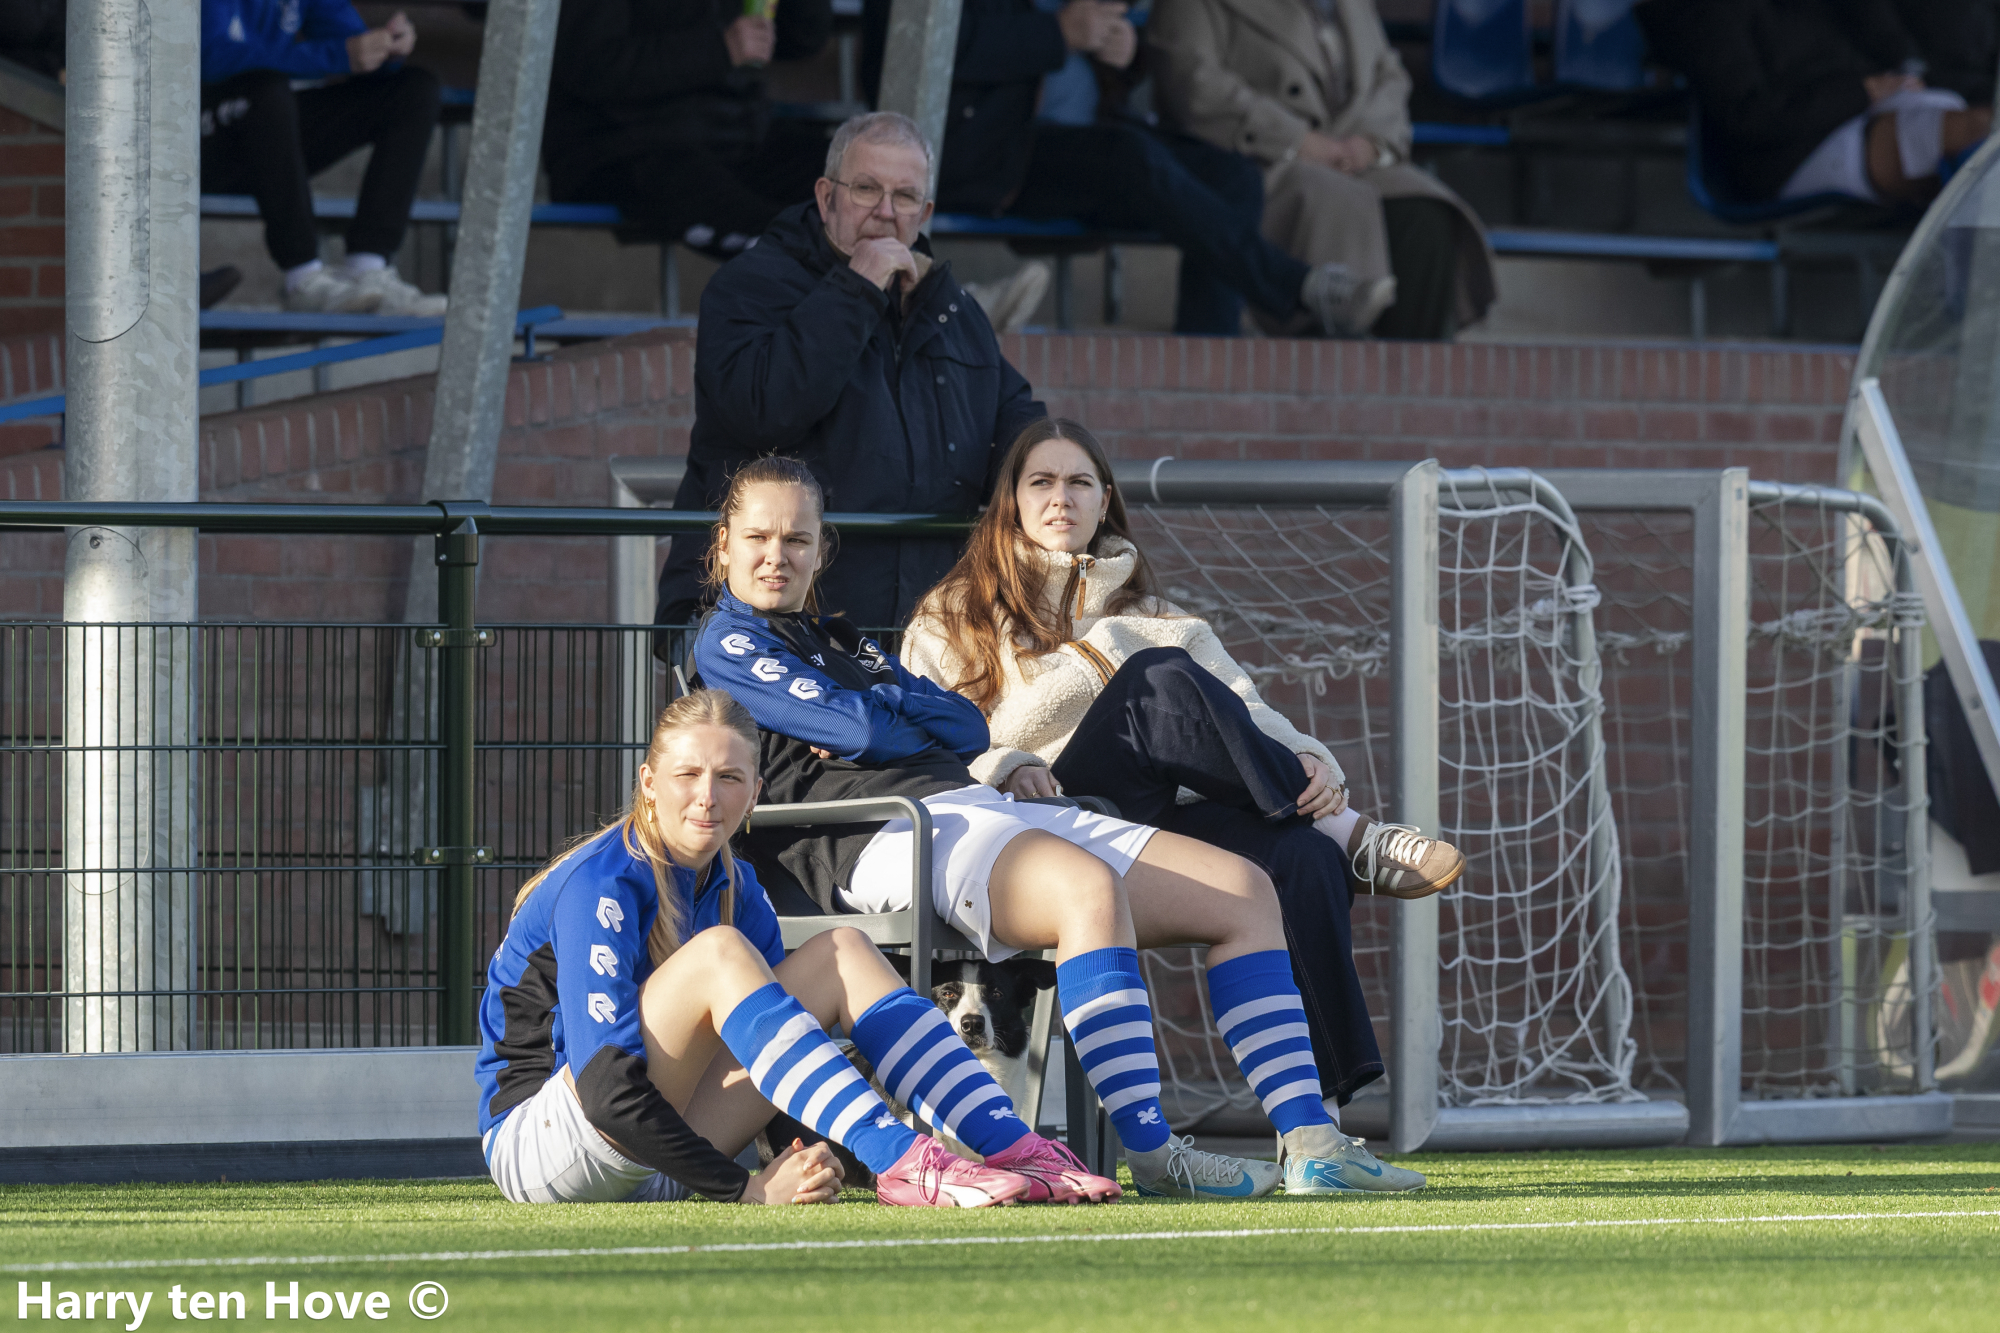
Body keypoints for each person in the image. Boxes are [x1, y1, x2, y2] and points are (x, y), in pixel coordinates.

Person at [690, 455, 1427, 1198]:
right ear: (724, 544)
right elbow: (858, 723)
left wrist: (886, 723)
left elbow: (963, 723)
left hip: (973, 806)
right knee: (1087, 889)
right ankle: (1154, 1151)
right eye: (758, 537)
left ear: (821, 548)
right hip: (879, 834)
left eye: (796, 539)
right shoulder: (729, 642)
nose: (776, 556)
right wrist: (884, 723)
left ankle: (1312, 1143)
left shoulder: (842, 641)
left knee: (1243, 889)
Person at [898, 418, 1463, 1115]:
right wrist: (1007, 761)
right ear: (1010, 500)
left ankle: (1317, 1123)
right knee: (1156, 677)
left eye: (1079, 482)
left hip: (1154, 814)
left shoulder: (1162, 614)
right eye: (1040, 482)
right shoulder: (953, 614)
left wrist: (1311, 760)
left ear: (1105, 501)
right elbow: (929, 743)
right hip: (1037, 829)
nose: (1060, 498)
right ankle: (1357, 837)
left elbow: (1248, 709)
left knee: (1302, 855)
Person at [477, 687, 1122, 1207]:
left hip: (660, 1156)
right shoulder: (603, 880)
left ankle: (1013, 1146)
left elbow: (770, 1047)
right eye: (687, 774)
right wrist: (747, 1190)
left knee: (842, 949)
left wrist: (808, 1159)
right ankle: (903, 1160)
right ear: (648, 782)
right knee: (722, 954)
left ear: (755, 793)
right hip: (550, 1149)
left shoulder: (737, 885)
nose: (707, 796)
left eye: (730, 777)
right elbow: (607, 1092)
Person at [652, 112, 1046, 634]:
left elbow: (1012, 422)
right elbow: (764, 411)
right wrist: (858, 287)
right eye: (866, 189)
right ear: (825, 196)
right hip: (769, 625)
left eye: (904, 197)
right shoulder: (750, 286)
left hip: (922, 630)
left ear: (923, 213)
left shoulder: (950, 309)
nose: (885, 212)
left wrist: (1054, 479)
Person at [859, 0, 1387, 337]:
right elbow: (913, 51)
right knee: (1130, 159)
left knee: (1232, 175)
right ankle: (1296, 286)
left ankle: (1209, 353)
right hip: (990, 153)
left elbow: (1102, 56)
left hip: (1089, 138)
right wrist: (1059, 32)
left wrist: (1123, 52)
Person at [1147, 0, 1495, 340]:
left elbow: (1388, 77)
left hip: (1351, 158)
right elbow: (1192, 83)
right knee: (1336, 203)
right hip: (1259, 161)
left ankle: (1416, 383)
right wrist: (1299, 141)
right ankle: (1328, 376)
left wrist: (1371, 144)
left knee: (1427, 215)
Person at [542, 0, 837, 263]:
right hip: (625, 146)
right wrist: (720, 48)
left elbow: (802, 40)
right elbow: (592, 64)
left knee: (855, 178)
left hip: (738, 137)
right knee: (782, 240)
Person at [199, 0, 447, 314]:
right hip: (190, 143)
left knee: (415, 88)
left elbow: (348, 40)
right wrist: (337, 55)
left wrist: (385, 49)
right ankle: (303, 280)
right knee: (267, 91)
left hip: (269, 136)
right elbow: (208, 56)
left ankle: (368, 268)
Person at [1638, 0, 1994, 206]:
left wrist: (1901, 69)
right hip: (1798, 148)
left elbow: (1875, 37)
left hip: (1864, 104)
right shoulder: (1700, 12)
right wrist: (1862, 92)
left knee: (1986, 130)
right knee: (1972, 135)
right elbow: (1750, 117)